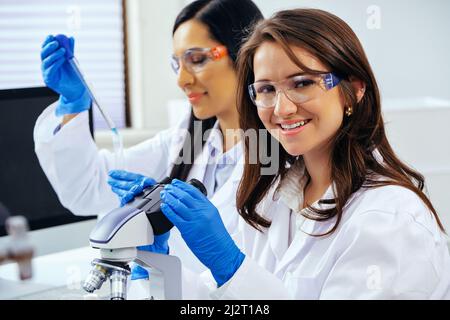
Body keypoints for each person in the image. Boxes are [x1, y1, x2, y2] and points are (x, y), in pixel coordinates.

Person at [158, 8, 450, 299]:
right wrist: (157, 263)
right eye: (267, 89)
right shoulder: (272, 197)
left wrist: (233, 269)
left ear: (355, 89)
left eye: (302, 83)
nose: (282, 109)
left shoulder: (389, 220)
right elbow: (210, 300)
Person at [34, 0, 263, 298]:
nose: (182, 79)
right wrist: (73, 106)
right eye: (177, 63)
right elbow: (87, 189)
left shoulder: (277, 154)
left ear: (244, 53)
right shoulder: (188, 138)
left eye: (197, 59)